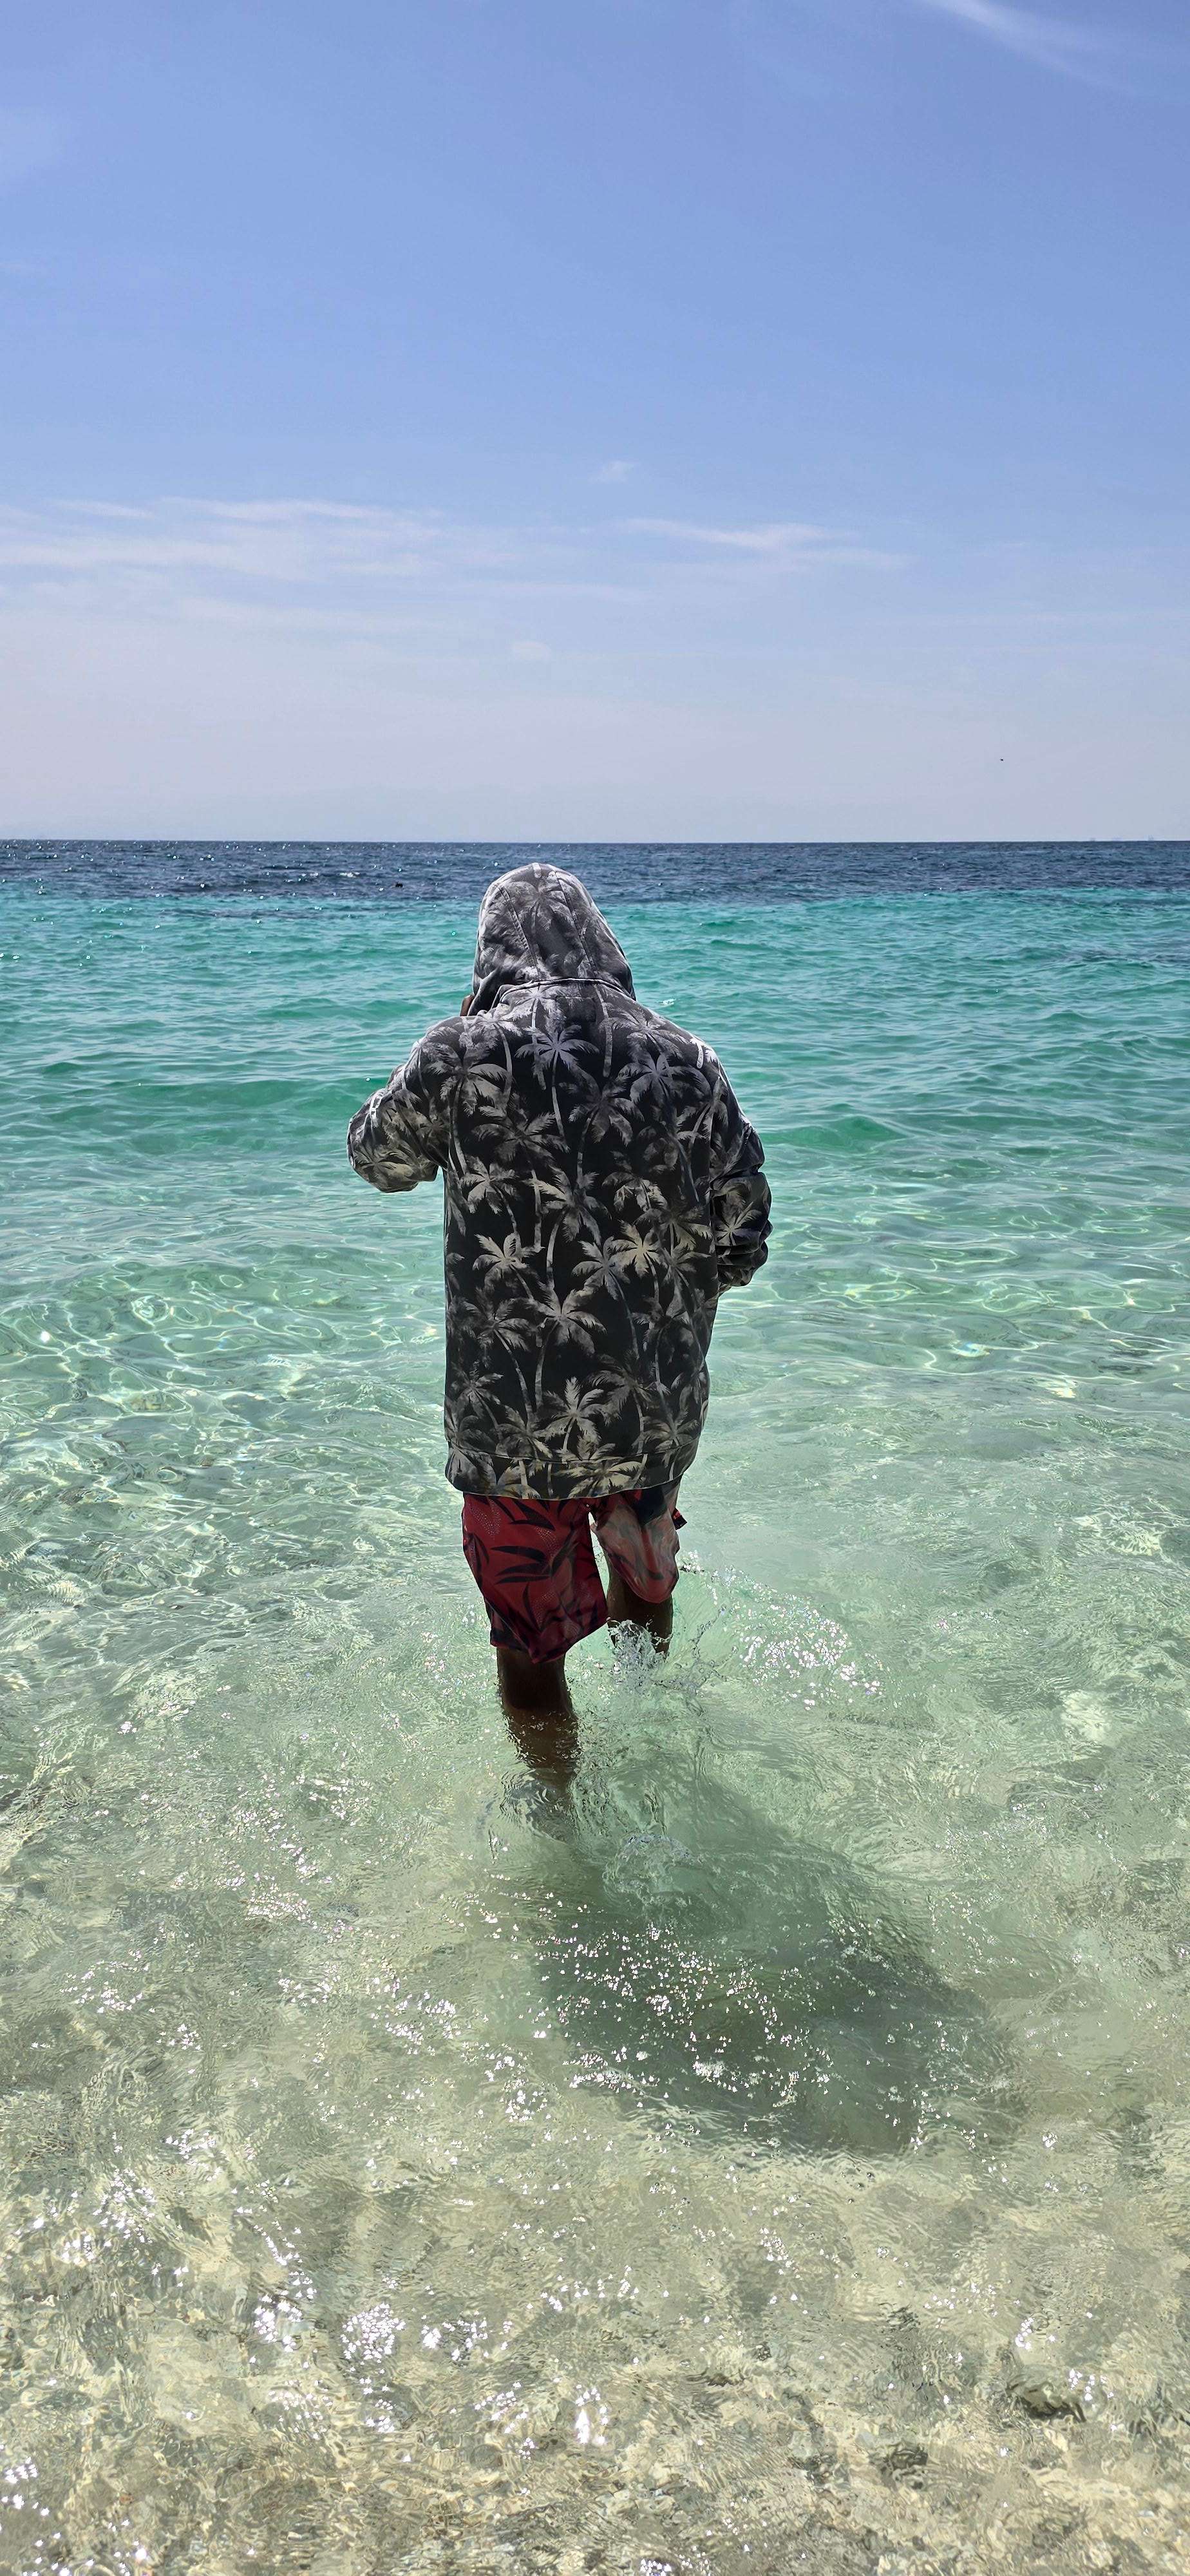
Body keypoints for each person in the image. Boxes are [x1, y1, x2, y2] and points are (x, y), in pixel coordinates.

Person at [347, 863, 770, 1783]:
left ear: (493, 951)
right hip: (649, 1409)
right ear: (602, 943)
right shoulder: (688, 1059)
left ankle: (561, 1825)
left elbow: (377, 1159)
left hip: (513, 1425)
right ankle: (651, 1750)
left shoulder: (460, 1053)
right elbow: (743, 1238)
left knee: (530, 1650)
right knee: (646, 1585)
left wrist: (460, 1047)